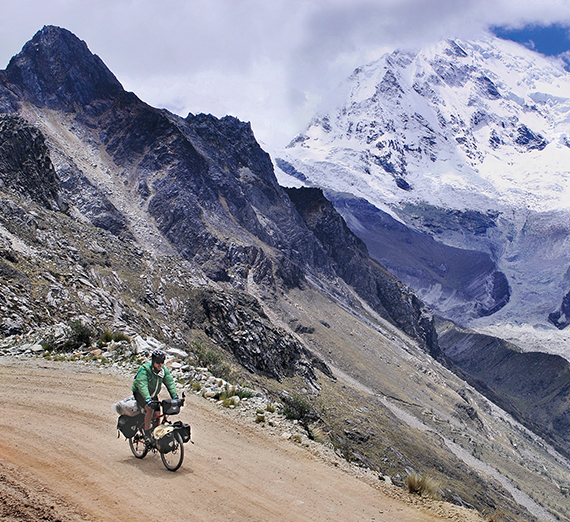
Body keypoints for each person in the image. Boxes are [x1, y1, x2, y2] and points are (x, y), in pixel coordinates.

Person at [132, 349, 178, 442]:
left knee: (158, 414)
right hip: (140, 394)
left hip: (153, 394)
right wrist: (148, 399)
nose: (160, 365)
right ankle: (147, 434)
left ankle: (155, 435)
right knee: (149, 410)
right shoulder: (144, 370)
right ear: (153, 362)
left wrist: (175, 396)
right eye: (158, 362)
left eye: (162, 362)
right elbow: (142, 386)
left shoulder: (163, 370)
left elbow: (169, 382)